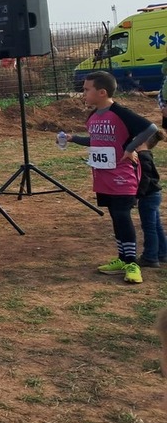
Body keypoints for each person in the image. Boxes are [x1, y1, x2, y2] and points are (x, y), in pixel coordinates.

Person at [62, 71, 157, 284]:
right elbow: (96, 141)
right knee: (115, 216)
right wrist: (73, 138)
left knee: (123, 215)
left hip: (122, 176)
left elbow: (150, 128)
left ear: (102, 92)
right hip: (102, 176)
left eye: (86, 90)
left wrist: (129, 148)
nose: (83, 93)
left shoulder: (120, 112)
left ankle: (132, 263)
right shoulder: (93, 116)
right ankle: (122, 258)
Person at [138, 129, 167, 268]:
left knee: (149, 227)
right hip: (153, 195)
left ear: (142, 141)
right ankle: (163, 253)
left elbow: (145, 179)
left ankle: (150, 257)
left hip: (148, 196)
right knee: (156, 225)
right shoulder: (146, 154)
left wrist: (137, 195)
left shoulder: (142, 156)